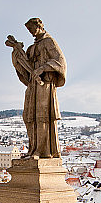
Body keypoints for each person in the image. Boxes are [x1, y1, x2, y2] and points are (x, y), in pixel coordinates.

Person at [6, 18, 66, 158]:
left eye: (32, 29)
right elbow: (26, 70)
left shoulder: (49, 42)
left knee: (42, 117)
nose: (31, 33)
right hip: (33, 86)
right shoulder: (32, 48)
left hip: (44, 84)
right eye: (29, 30)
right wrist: (17, 54)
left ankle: (44, 151)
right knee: (29, 117)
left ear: (39, 26)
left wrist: (43, 68)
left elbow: (60, 62)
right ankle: (33, 149)